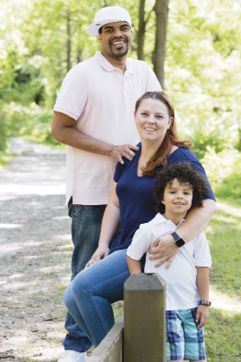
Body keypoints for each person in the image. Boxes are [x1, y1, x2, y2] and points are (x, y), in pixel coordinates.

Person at [64, 91, 216, 358]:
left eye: (159, 116)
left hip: (153, 253)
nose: (151, 121)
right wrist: (102, 245)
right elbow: (115, 203)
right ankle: (117, 352)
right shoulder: (129, 155)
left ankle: (120, 356)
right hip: (124, 246)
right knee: (72, 298)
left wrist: (176, 240)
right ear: (134, 117)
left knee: (82, 289)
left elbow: (208, 205)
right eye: (144, 114)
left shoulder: (180, 158)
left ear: (170, 121)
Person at [51, 5, 161, 361]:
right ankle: (76, 346)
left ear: (130, 32)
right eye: (108, 29)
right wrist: (110, 148)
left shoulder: (143, 72)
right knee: (87, 266)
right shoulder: (82, 75)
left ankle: (140, 341)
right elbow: (59, 129)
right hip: (92, 191)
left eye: (123, 28)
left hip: (136, 192)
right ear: (98, 35)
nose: (118, 35)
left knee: (135, 266)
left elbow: (159, 114)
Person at [126, 163, 212, 362]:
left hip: (191, 307)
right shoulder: (149, 229)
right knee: (174, 359)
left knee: (198, 358)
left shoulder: (196, 233)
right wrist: (141, 287)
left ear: (193, 199)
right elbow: (132, 256)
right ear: (161, 197)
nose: (180, 196)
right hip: (164, 307)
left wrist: (204, 303)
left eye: (186, 192)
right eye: (173, 191)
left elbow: (202, 269)